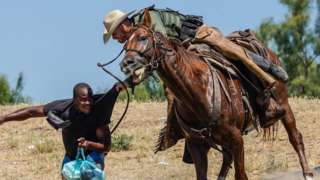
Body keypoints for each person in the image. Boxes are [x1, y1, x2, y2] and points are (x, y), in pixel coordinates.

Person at [102, 6, 288, 127]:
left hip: (197, 37)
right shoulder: (135, 40)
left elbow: (162, 46)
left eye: (115, 33)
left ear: (123, 25)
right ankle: (183, 129)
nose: (116, 38)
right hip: (183, 54)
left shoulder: (147, 19)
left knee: (234, 56)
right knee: (173, 88)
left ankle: (267, 89)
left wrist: (136, 75)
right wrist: (130, 81)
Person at [0, 82, 126, 177]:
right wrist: (4, 118)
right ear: (75, 99)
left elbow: (106, 147)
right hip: (71, 156)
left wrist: (88, 144)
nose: (88, 103)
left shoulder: (99, 112)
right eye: (83, 100)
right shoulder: (62, 108)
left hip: (93, 155)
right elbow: (31, 112)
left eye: (89, 99)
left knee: (87, 175)